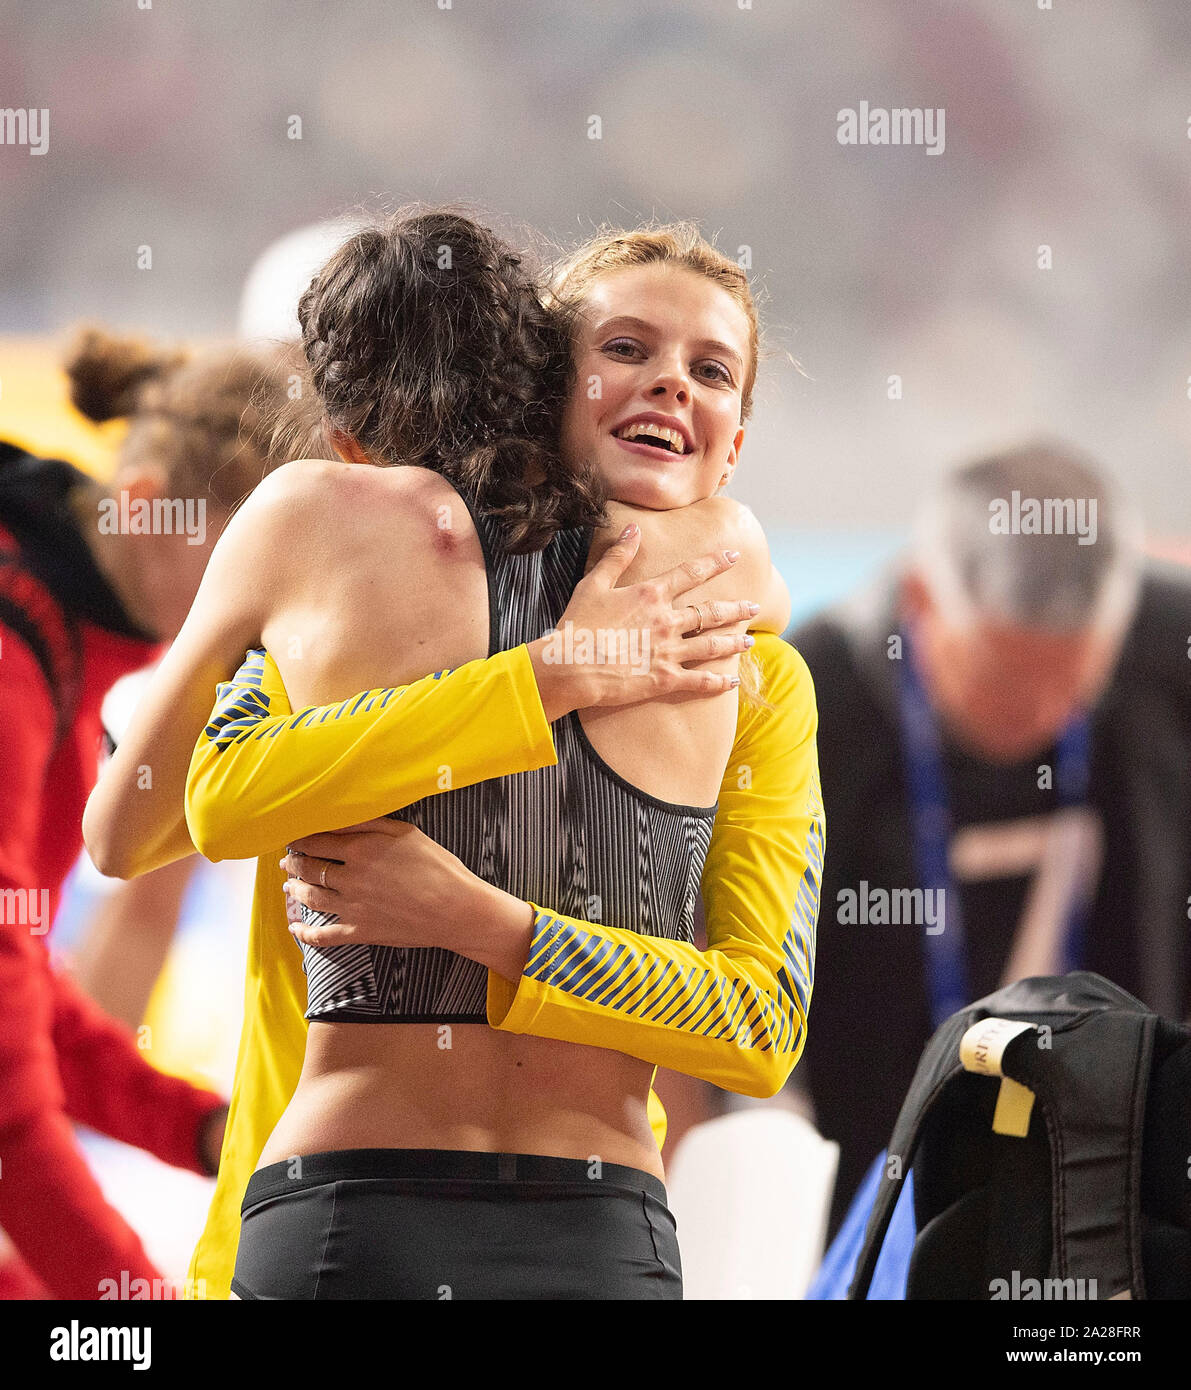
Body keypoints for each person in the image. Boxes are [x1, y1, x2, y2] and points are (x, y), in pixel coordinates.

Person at [87, 213, 824, 1299]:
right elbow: (197, 807)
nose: (669, 385)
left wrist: (487, 924)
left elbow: (759, 1024)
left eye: (709, 369)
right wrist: (547, 679)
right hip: (464, 1213)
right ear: (545, 384)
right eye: (625, 350)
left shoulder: (756, 667)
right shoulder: (350, 581)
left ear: (736, 442)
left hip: (398, 1211)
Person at [789, 440, 1191, 1241]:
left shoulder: (1168, 658)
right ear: (921, 600)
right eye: (1007, 682)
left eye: (1075, 684)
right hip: (871, 1190)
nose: (1044, 713)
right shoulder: (813, 702)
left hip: (1119, 1185)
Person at [0, 326, 294, 1298]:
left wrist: (203, 1129)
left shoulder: (65, 639)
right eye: (239, 571)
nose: (267, 615)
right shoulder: (15, 659)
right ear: (140, 508)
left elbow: (23, 993)